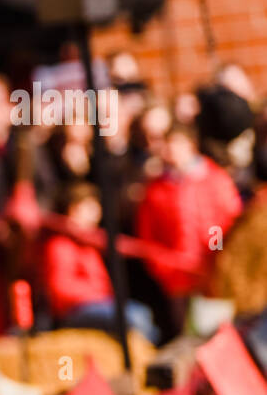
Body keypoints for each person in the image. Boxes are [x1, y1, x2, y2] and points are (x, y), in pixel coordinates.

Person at [134, 122, 243, 313]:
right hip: (177, 277)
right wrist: (164, 267)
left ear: (190, 145)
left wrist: (216, 256)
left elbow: (228, 220)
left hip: (211, 272)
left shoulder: (214, 180)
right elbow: (148, 235)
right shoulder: (156, 189)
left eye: (176, 144)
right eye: (167, 145)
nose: (171, 150)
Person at [42, 183, 159, 343]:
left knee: (144, 316)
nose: (97, 213)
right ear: (73, 210)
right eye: (90, 208)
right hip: (76, 310)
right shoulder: (61, 245)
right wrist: (97, 293)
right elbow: (60, 288)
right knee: (134, 317)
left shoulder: (88, 243)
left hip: (95, 304)